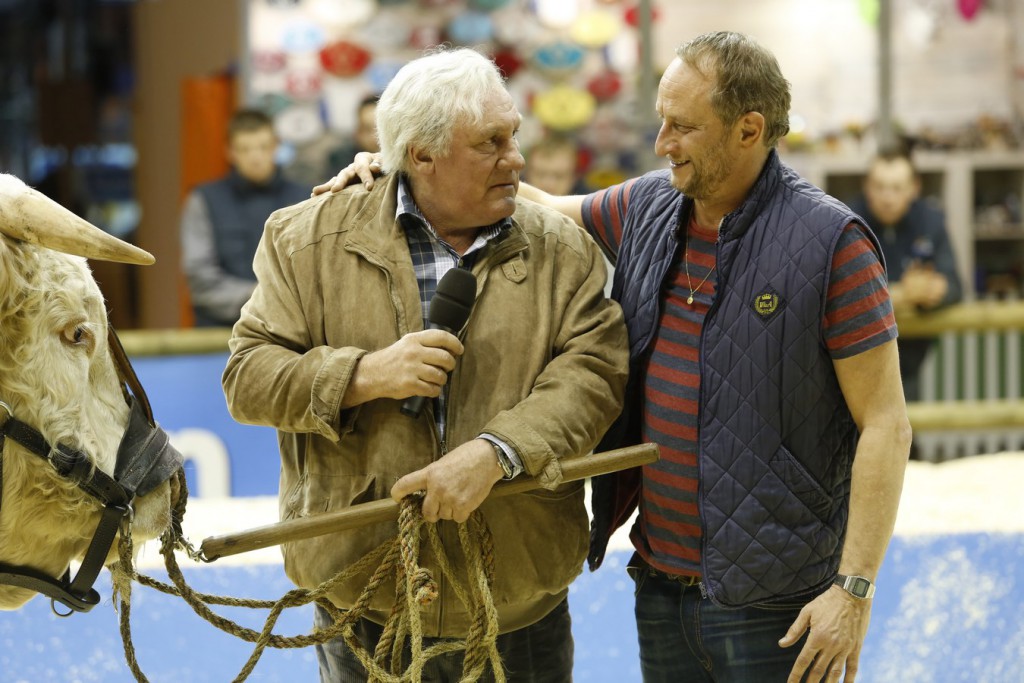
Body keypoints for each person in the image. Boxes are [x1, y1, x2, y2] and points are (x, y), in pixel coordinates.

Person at [319, 31, 913, 683]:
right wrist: (396, 168)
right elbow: (534, 204)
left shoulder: (832, 243)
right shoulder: (650, 204)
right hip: (660, 587)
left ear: (750, 129)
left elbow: (885, 422)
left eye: (682, 127)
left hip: (782, 603)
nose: (662, 143)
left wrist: (853, 590)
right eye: (662, 120)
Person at [222, 47, 628, 682]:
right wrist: (362, 376)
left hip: (519, 600)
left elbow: (595, 376)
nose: (515, 158)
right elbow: (247, 377)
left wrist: (498, 453)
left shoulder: (562, 249)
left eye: (513, 135)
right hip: (362, 597)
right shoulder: (303, 239)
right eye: (491, 142)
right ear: (421, 156)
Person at [849, 149, 962, 402]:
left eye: (897, 188)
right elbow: (840, 294)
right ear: (867, 187)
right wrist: (901, 295)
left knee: (907, 429)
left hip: (911, 356)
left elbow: (955, 284)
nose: (888, 197)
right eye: (880, 187)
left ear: (914, 188)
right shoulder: (846, 222)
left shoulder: (930, 220)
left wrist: (936, 289)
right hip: (857, 357)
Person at [180, 108, 309, 327]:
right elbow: (199, 278)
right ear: (230, 152)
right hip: (219, 334)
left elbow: (315, 271)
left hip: (291, 333)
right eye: (245, 149)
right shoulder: (203, 200)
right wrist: (260, 295)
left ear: (276, 147)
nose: (255, 157)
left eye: (263, 147)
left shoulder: (305, 199)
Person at [326, 94, 381, 177]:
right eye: (367, 129)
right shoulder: (340, 159)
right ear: (357, 132)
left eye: (379, 129)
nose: (374, 138)